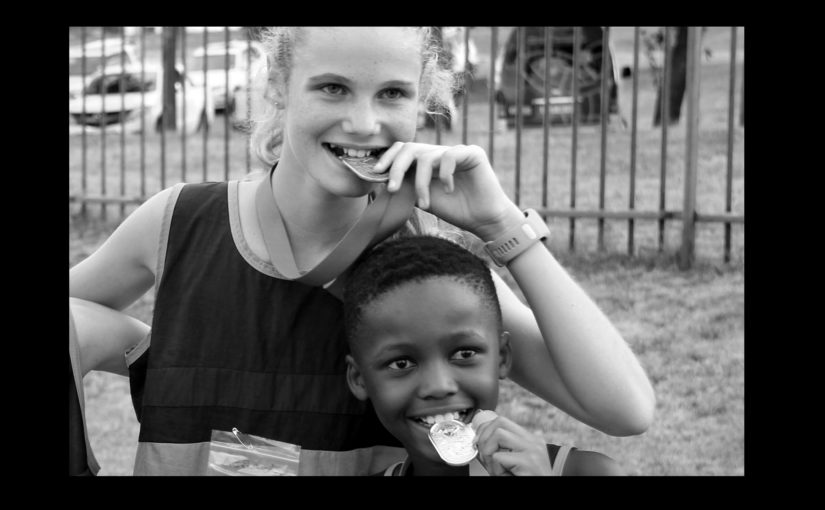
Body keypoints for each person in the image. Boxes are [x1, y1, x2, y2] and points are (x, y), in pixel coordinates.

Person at [69, 26, 654, 476]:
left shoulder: (422, 264)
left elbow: (625, 410)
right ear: (279, 84)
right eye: (332, 87)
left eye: (393, 93)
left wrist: (503, 226)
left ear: (421, 101)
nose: (364, 121)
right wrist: (134, 346)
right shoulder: (182, 221)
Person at [343, 235, 624, 476]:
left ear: (501, 357)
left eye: (464, 353)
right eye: (401, 363)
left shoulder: (586, 471)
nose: (439, 386)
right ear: (359, 379)